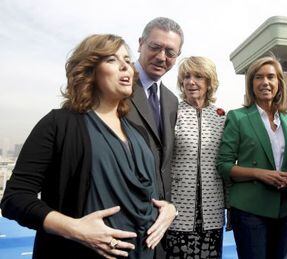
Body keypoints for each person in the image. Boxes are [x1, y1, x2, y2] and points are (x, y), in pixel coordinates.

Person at [0, 34, 170, 259]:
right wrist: (75, 229)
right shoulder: (58, 124)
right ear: (89, 70)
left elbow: (148, 193)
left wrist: (168, 209)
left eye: (128, 61)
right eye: (111, 60)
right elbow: (14, 198)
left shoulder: (138, 133)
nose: (125, 67)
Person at [217, 56, 287, 259]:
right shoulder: (237, 118)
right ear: (251, 83)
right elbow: (224, 166)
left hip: (286, 209)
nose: (265, 82)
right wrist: (260, 174)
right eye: (258, 77)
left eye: (271, 77)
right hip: (249, 211)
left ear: (279, 82)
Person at [126, 18, 183, 257]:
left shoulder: (171, 100)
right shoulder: (117, 85)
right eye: (155, 47)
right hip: (124, 218)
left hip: (159, 222)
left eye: (170, 52)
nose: (162, 57)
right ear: (140, 44)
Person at [165, 56, 226, 259]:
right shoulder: (172, 113)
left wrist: (231, 206)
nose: (191, 82)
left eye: (198, 76)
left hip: (213, 209)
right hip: (177, 208)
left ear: (209, 82)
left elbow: (227, 162)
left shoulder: (221, 117)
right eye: (186, 77)